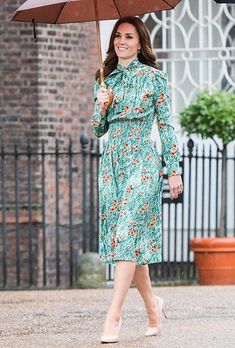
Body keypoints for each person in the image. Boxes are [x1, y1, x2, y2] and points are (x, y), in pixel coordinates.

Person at [90, 16, 183, 344]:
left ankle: (112, 315)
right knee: (131, 246)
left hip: (142, 164)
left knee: (126, 235)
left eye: (128, 36)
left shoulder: (155, 79)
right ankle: (153, 307)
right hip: (112, 165)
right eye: (117, 36)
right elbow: (97, 129)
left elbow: (166, 126)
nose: (121, 41)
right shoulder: (104, 80)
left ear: (141, 43)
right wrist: (102, 106)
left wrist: (174, 169)